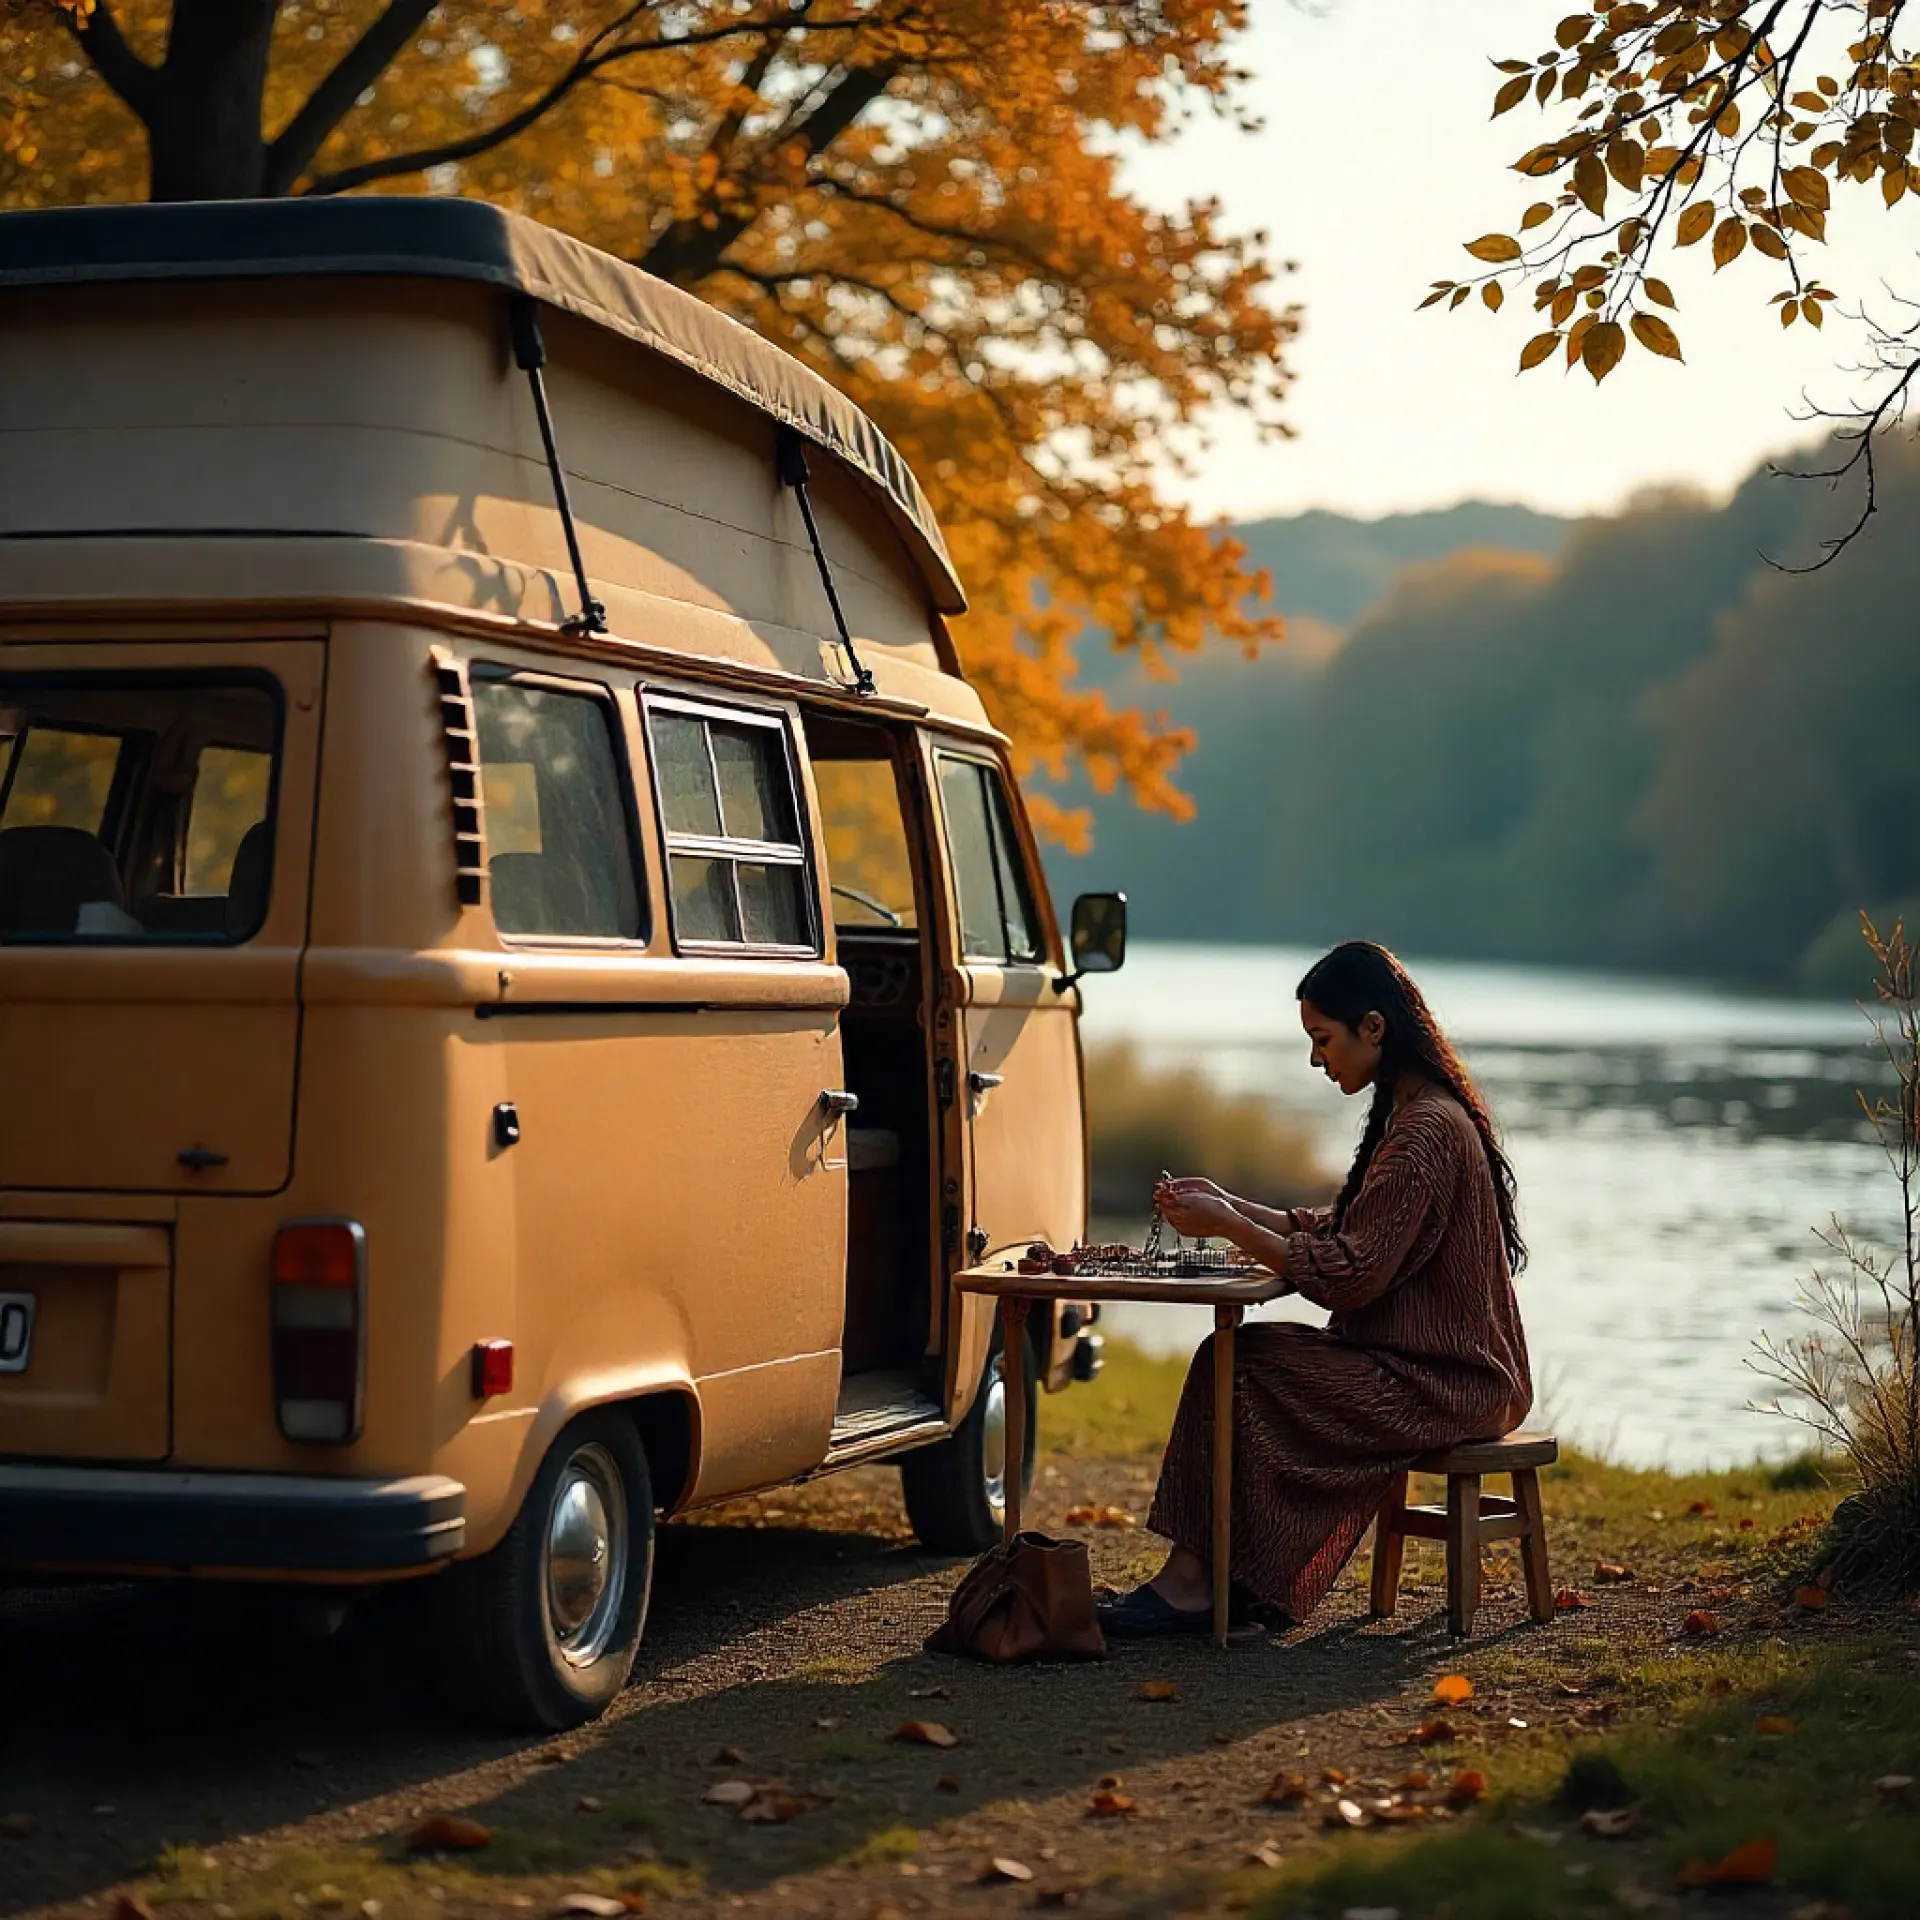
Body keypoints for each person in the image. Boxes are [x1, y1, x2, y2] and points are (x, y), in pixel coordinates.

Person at [1098, 940, 1533, 1637]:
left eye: (1322, 1039)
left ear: (1375, 1028)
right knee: (1243, 1366)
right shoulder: (1418, 1115)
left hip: (1450, 1383)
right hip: (1436, 1373)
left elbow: (1349, 1278)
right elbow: (1344, 1230)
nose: (1315, 1059)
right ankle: (1231, 1585)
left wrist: (1230, 1225)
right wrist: (1230, 1203)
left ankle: (1199, 1584)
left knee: (1238, 1367)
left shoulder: (1425, 1132)